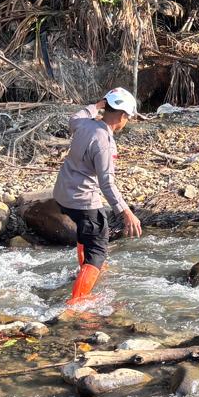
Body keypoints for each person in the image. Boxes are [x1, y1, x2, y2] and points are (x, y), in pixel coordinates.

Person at [53, 87, 143, 303]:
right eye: (128, 118)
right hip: (83, 200)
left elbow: (76, 116)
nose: (126, 122)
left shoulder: (83, 124)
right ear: (122, 115)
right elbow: (106, 183)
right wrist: (125, 211)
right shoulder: (104, 141)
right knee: (98, 248)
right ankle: (77, 302)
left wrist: (96, 105)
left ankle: (86, 272)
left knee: (88, 235)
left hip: (63, 195)